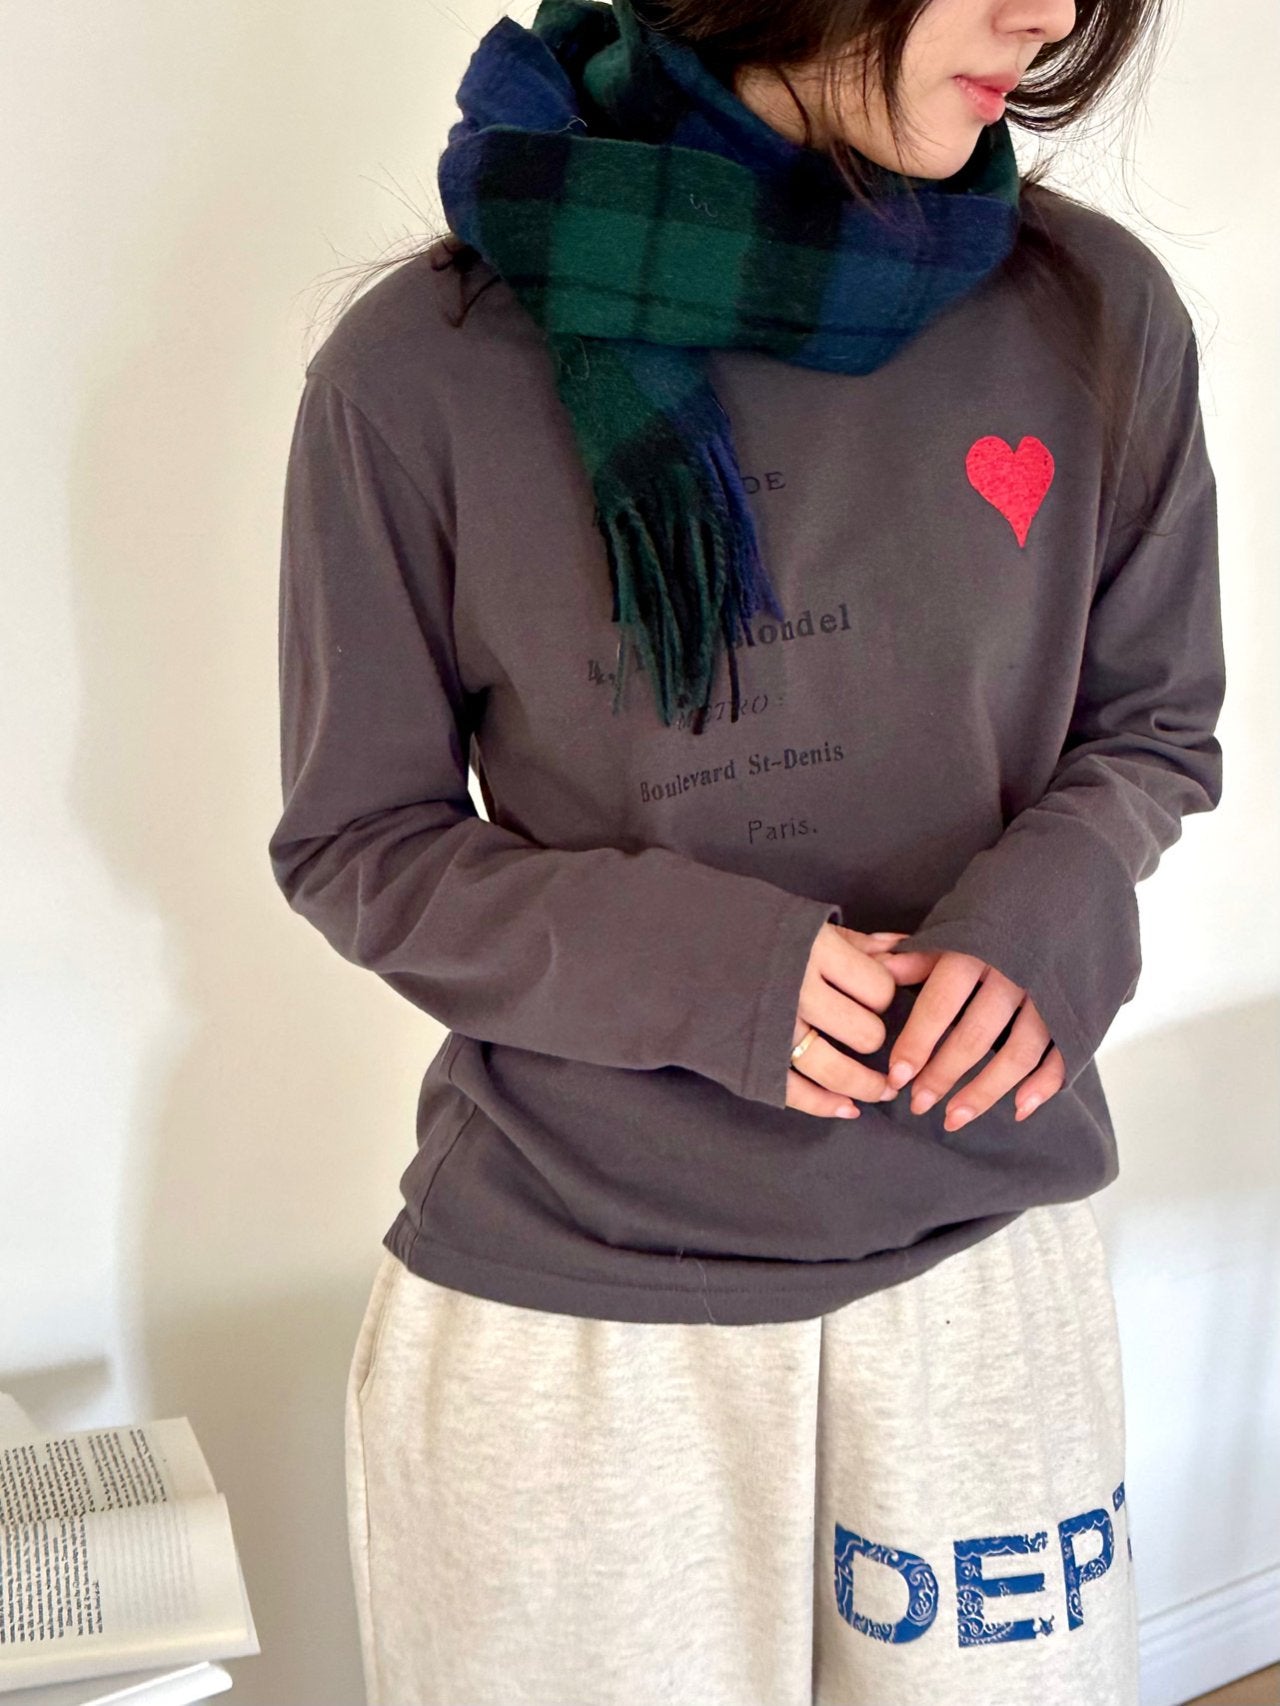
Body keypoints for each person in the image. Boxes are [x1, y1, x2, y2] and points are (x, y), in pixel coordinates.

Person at [268, 0, 1225, 1698]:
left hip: (975, 1277)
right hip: (577, 1316)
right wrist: (715, 973)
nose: (1053, 15)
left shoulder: (1094, 317)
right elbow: (361, 838)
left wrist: (1047, 907)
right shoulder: (416, 374)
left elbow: (1153, 724)